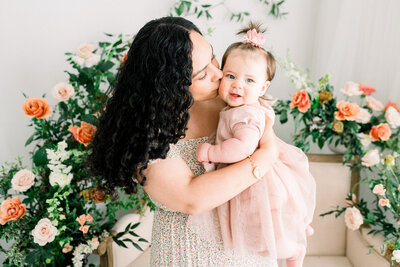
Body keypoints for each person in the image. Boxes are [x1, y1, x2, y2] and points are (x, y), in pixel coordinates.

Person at [88, 17, 280, 266]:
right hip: (188, 255)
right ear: (170, 85)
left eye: (212, 58)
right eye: (202, 74)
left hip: (246, 245)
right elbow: (192, 198)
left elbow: (262, 124)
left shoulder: (227, 96)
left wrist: (267, 146)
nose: (219, 73)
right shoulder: (145, 133)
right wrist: (265, 157)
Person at [195, 23, 316, 267]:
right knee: (266, 222)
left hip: (260, 184)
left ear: (263, 87)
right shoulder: (241, 107)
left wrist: (212, 151)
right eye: (230, 76)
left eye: (249, 80)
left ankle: (293, 250)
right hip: (261, 179)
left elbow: (243, 147)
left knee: (259, 231)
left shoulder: (245, 115)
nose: (237, 85)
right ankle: (297, 226)